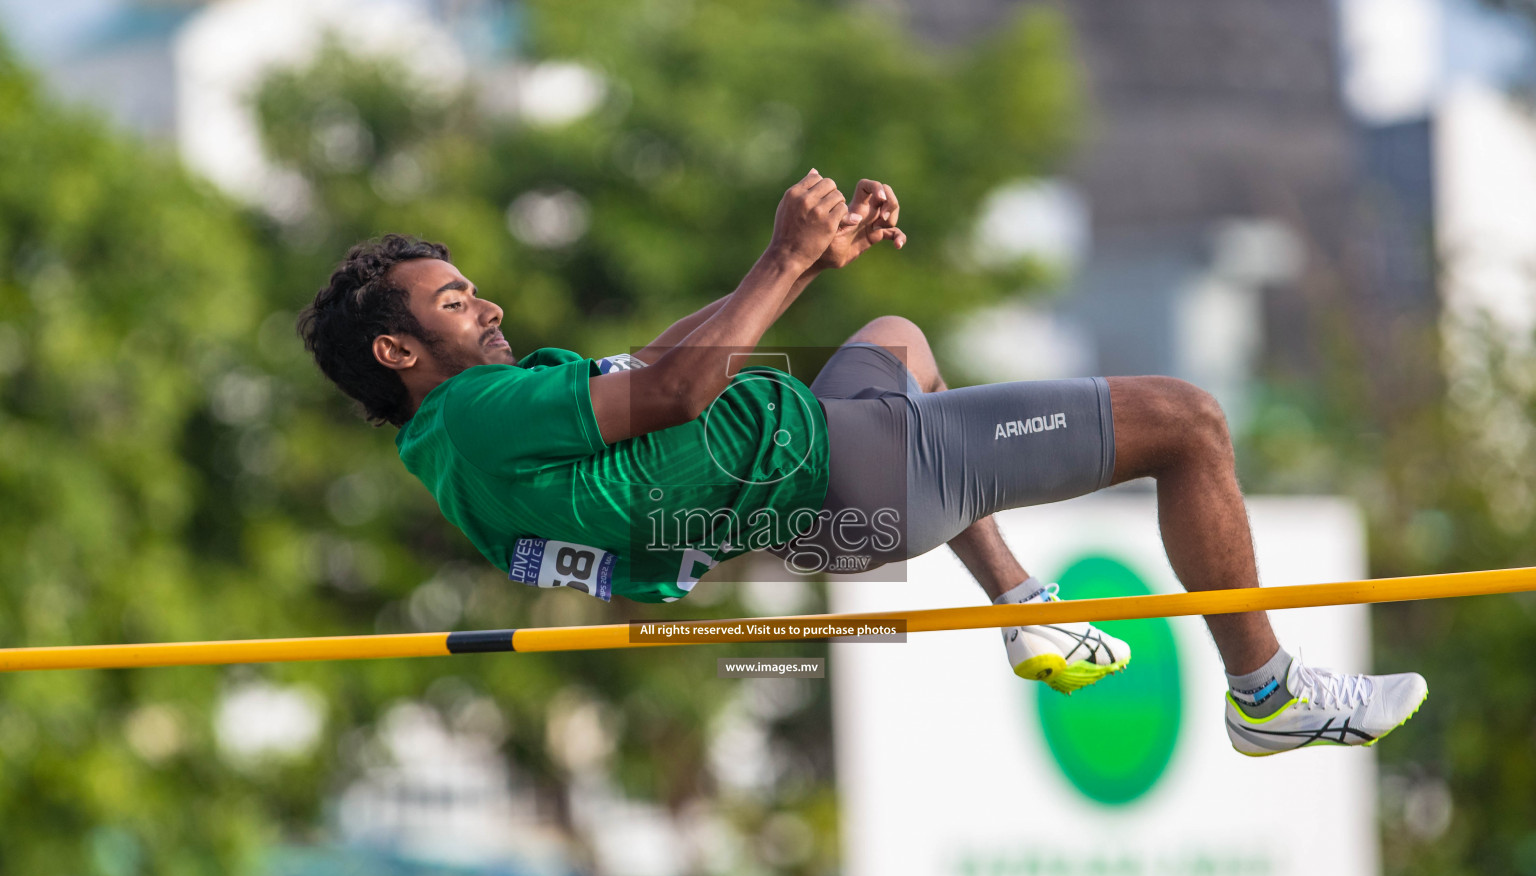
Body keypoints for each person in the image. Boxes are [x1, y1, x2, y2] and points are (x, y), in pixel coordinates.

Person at [298, 170, 1427, 756]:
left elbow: (661, 364)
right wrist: (780, 256)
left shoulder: (454, 439)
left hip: (811, 494)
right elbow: (690, 386)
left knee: (893, 337)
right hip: (863, 477)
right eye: (455, 300)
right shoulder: (482, 414)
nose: (485, 303)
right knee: (1189, 421)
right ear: (399, 351)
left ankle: (1024, 603)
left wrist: (798, 269)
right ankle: (1267, 694)